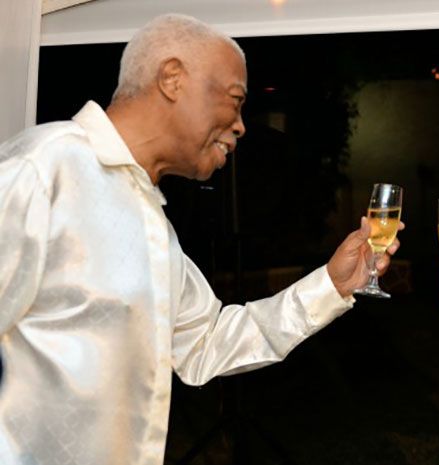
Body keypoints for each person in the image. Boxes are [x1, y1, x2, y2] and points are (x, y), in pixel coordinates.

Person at [0, 14, 401, 465]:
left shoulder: (147, 215)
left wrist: (331, 284)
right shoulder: (42, 170)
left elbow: (207, 342)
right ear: (172, 79)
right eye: (235, 100)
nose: (242, 126)